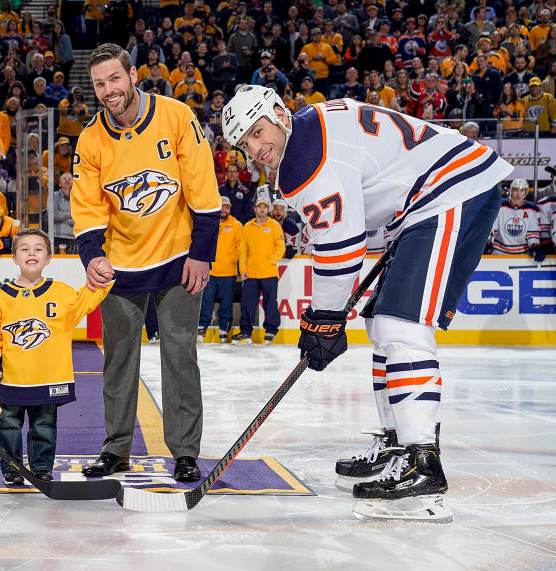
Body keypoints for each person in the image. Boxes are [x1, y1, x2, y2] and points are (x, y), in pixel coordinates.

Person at [222, 85, 512, 522]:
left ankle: (422, 465)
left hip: (452, 191)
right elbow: (346, 221)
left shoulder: (306, 158)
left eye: (258, 132)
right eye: (245, 143)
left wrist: (324, 320)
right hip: (422, 203)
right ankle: (399, 446)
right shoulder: (308, 131)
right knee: (381, 326)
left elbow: (341, 251)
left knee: (403, 330)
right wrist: (326, 317)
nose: (255, 148)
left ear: (280, 113)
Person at [71, 44, 220, 483]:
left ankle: (185, 453)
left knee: (179, 355)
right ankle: (116, 450)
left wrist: (202, 253)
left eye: (114, 79)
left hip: (178, 260)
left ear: (133, 74)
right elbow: (87, 205)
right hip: (120, 265)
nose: (107, 90)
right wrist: (92, 254)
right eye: (99, 83)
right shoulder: (91, 138)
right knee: (118, 358)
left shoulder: (175, 116)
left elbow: (202, 185)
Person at [0, 228, 112, 485]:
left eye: (39, 248)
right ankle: (12, 467)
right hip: (13, 378)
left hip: (49, 377)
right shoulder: (3, 296)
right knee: (9, 425)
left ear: (49, 258)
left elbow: (86, 301)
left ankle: (41, 467)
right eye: (24, 248)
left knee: (44, 427)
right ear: (14, 258)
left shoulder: (61, 292)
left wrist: (104, 280)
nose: (32, 253)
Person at [234, 194, 285, 344]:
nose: (262, 209)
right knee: (247, 304)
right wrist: (243, 269)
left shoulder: (274, 226)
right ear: (255, 209)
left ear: (268, 210)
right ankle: (245, 332)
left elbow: (280, 247)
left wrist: (270, 261)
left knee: (270, 303)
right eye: (259, 206)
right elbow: (242, 250)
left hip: (268, 272)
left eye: (265, 207)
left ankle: (270, 330)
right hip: (251, 273)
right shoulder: (247, 226)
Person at [198, 196, 242, 343]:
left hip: (228, 272)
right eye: (222, 206)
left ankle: (224, 328)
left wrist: (233, 261)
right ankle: (202, 327)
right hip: (210, 271)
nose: (224, 209)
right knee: (206, 301)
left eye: (227, 207)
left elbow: (241, 248)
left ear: (230, 209)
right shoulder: (210, 223)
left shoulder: (237, 225)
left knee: (226, 302)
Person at [489, 179, 544, 260]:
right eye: (515, 190)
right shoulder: (500, 205)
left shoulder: (532, 209)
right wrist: (488, 241)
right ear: (511, 191)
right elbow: (492, 228)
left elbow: (533, 233)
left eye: (522, 191)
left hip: (523, 255)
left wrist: (534, 246)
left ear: (526, 192)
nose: (518, 194)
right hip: (499, 253)